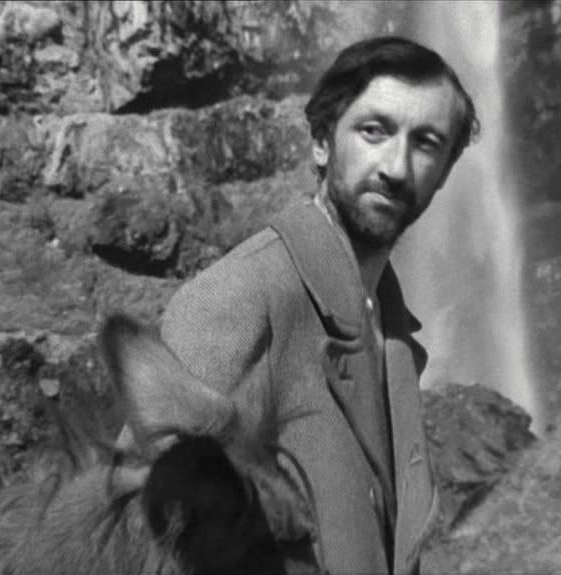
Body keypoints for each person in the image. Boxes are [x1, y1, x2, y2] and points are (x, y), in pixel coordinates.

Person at [121, 36, 478, 574]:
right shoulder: (241, 297)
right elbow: (130, 525)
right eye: (374, 131)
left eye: (426, 143)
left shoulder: (390, 327)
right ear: (321, 143)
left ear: (445, 171)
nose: (397, 167)